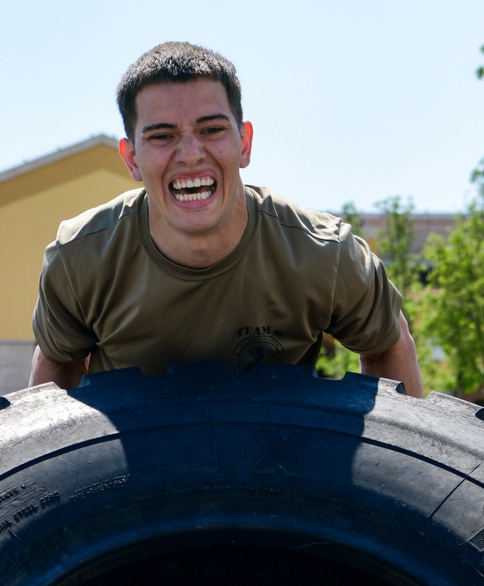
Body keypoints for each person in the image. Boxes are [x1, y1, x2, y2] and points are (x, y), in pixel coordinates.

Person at [29, 41, 422, 395]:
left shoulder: (325, 253)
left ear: (244, 143)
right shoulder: (79, 258)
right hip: (133, 472)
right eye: (162, 136)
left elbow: (387, 348)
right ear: (132, 158)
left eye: (212, 129)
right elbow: (58, 368)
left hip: (283, 466)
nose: (190, 154)